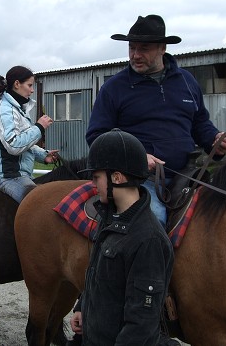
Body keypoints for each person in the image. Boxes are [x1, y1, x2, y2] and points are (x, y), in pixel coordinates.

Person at [86, 14, 226, 227]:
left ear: (163, 48)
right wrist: (134, 157)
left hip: (188, 174)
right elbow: (97, 136)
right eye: (132, 48)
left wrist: (214, 139)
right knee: (154, 222)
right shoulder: (114, 88)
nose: (135, 55)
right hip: (137, 179)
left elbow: (200, 123)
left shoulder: (186, 81)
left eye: (144, 48)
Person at [69, 129, 174, 345]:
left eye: (96, 177)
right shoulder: (109, 218)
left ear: (117, 177)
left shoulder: (148, 239)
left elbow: (140, 324)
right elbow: (96, 273)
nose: (93, 184)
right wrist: (83, 308)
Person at [0, 65, 58, 203]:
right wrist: (39, 127)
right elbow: (14, 145)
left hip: (21, 176)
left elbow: (26, 144)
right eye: (30, 85)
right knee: (41, 205)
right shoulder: (5, 111)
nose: (32, 90)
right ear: (17, 84)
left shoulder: (18, 110)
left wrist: (44, 155)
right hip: (9, 178)